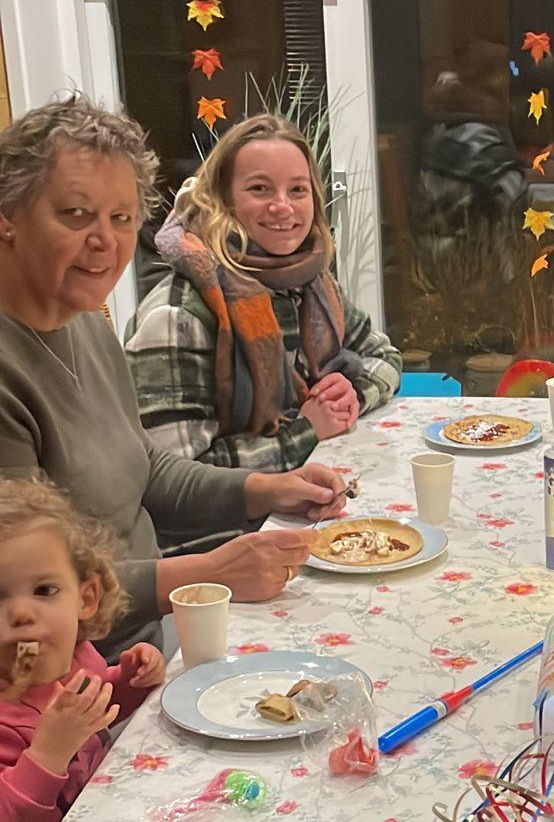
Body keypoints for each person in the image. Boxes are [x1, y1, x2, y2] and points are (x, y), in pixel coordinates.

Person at [0, 96, 347, 657]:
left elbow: (147, 469)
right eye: (76, 214)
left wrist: (267, 488)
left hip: (152, 639)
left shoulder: (82, 320)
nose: (105, 241)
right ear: (7, 218)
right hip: (71, 680)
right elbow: (25, 590)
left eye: (121, 218)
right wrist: (208, 572)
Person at [126, 115, 401, 515]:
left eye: (298, 189)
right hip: (219, 536)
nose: (282, 206)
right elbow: (176, 480)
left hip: (303, 501)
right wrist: (305, 432)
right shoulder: (177, 315)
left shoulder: (311, 283)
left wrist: (353, 396)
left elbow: (385, 357)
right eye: (259, 188)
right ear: (222, 199)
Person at [0, 478, 165, 822]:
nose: (21, 613)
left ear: (85, 597)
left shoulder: (75, 656)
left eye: (44, 590)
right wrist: (46, 755)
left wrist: (127, 681)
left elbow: (90, 705)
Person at [417, 40, 526, 259]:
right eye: (505, 75)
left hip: (436, 249)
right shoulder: (477, 136)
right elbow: (518, 203)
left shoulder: (447, 127)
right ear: (491, 85)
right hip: (465, 260)